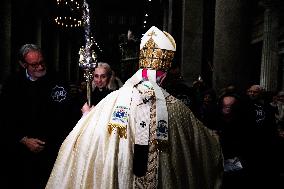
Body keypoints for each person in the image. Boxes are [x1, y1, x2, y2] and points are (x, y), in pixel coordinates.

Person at [46, 26, 223, 189]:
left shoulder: (109, 103)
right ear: (164, 77)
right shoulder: (178, 109)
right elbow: (205, 148)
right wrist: (214, 138)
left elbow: (79, 146)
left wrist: (86, 119)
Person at [0, 44, 76, 188]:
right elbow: (5, 118)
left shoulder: (57, 79)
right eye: (34, 65)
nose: (40, 67)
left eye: (42, 62)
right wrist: (24, 140)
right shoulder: (12, 84)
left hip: (53, 150)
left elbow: (69, 112)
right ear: (23, 64)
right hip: (22, 152)